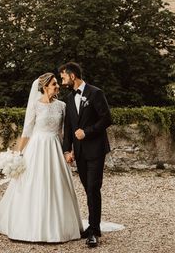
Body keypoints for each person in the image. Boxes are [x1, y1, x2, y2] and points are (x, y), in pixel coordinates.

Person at [0, 72, 83, 243]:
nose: (57, 86)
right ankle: (30, 226)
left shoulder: (62, 105)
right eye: (54, 84)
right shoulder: (35, 106)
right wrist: (19, 153)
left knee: (57, 185)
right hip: (37, 147)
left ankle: (60, 227)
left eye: (57, 83)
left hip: (55, 146)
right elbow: (27, 131)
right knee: (33, 184)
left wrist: (69, 151)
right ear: (45, 86)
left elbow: (65, 132)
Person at [61, 62, 112, 248]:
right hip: (80, 152)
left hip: (96, 149)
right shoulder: (68, 98)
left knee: (93, 188)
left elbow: (107, 118)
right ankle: (93, 226)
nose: (62, 80)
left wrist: (87, 132)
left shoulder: (95, 93)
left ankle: (93, 230)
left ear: (73, 76)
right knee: (87, 188)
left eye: (64, 76)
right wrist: (67, 150)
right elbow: (68, 127)